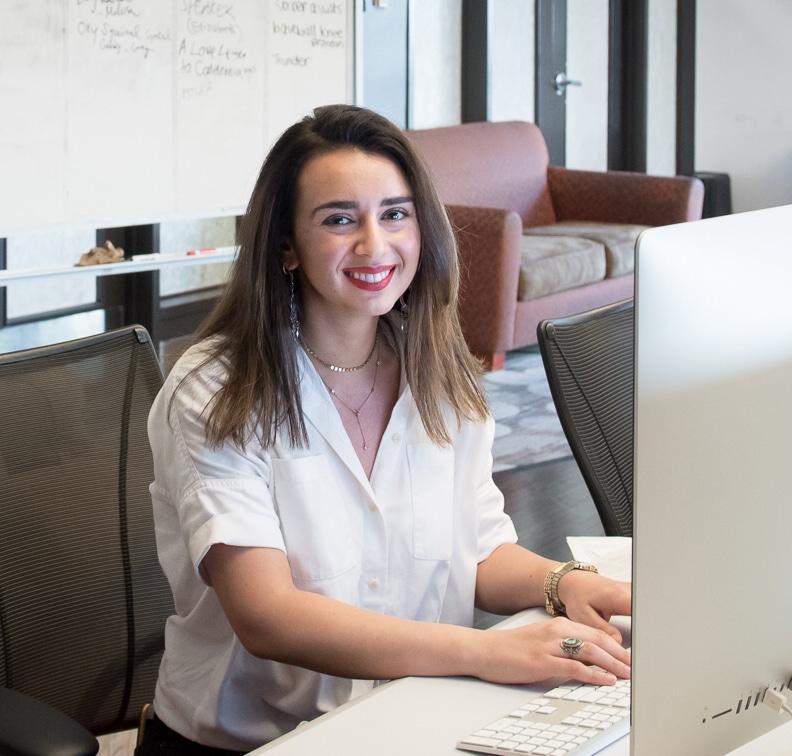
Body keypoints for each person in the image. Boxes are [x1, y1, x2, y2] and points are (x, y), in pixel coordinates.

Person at [139, 104, 631, 755]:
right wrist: (486, 652)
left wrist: (564, 583)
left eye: (395, 214)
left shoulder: (438, 373)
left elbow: (478, 550)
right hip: (250, 744)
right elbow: (267, 616)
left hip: (409, 720)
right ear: (286, 244)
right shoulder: (218, 390)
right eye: (340, 220)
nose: (375, 244)